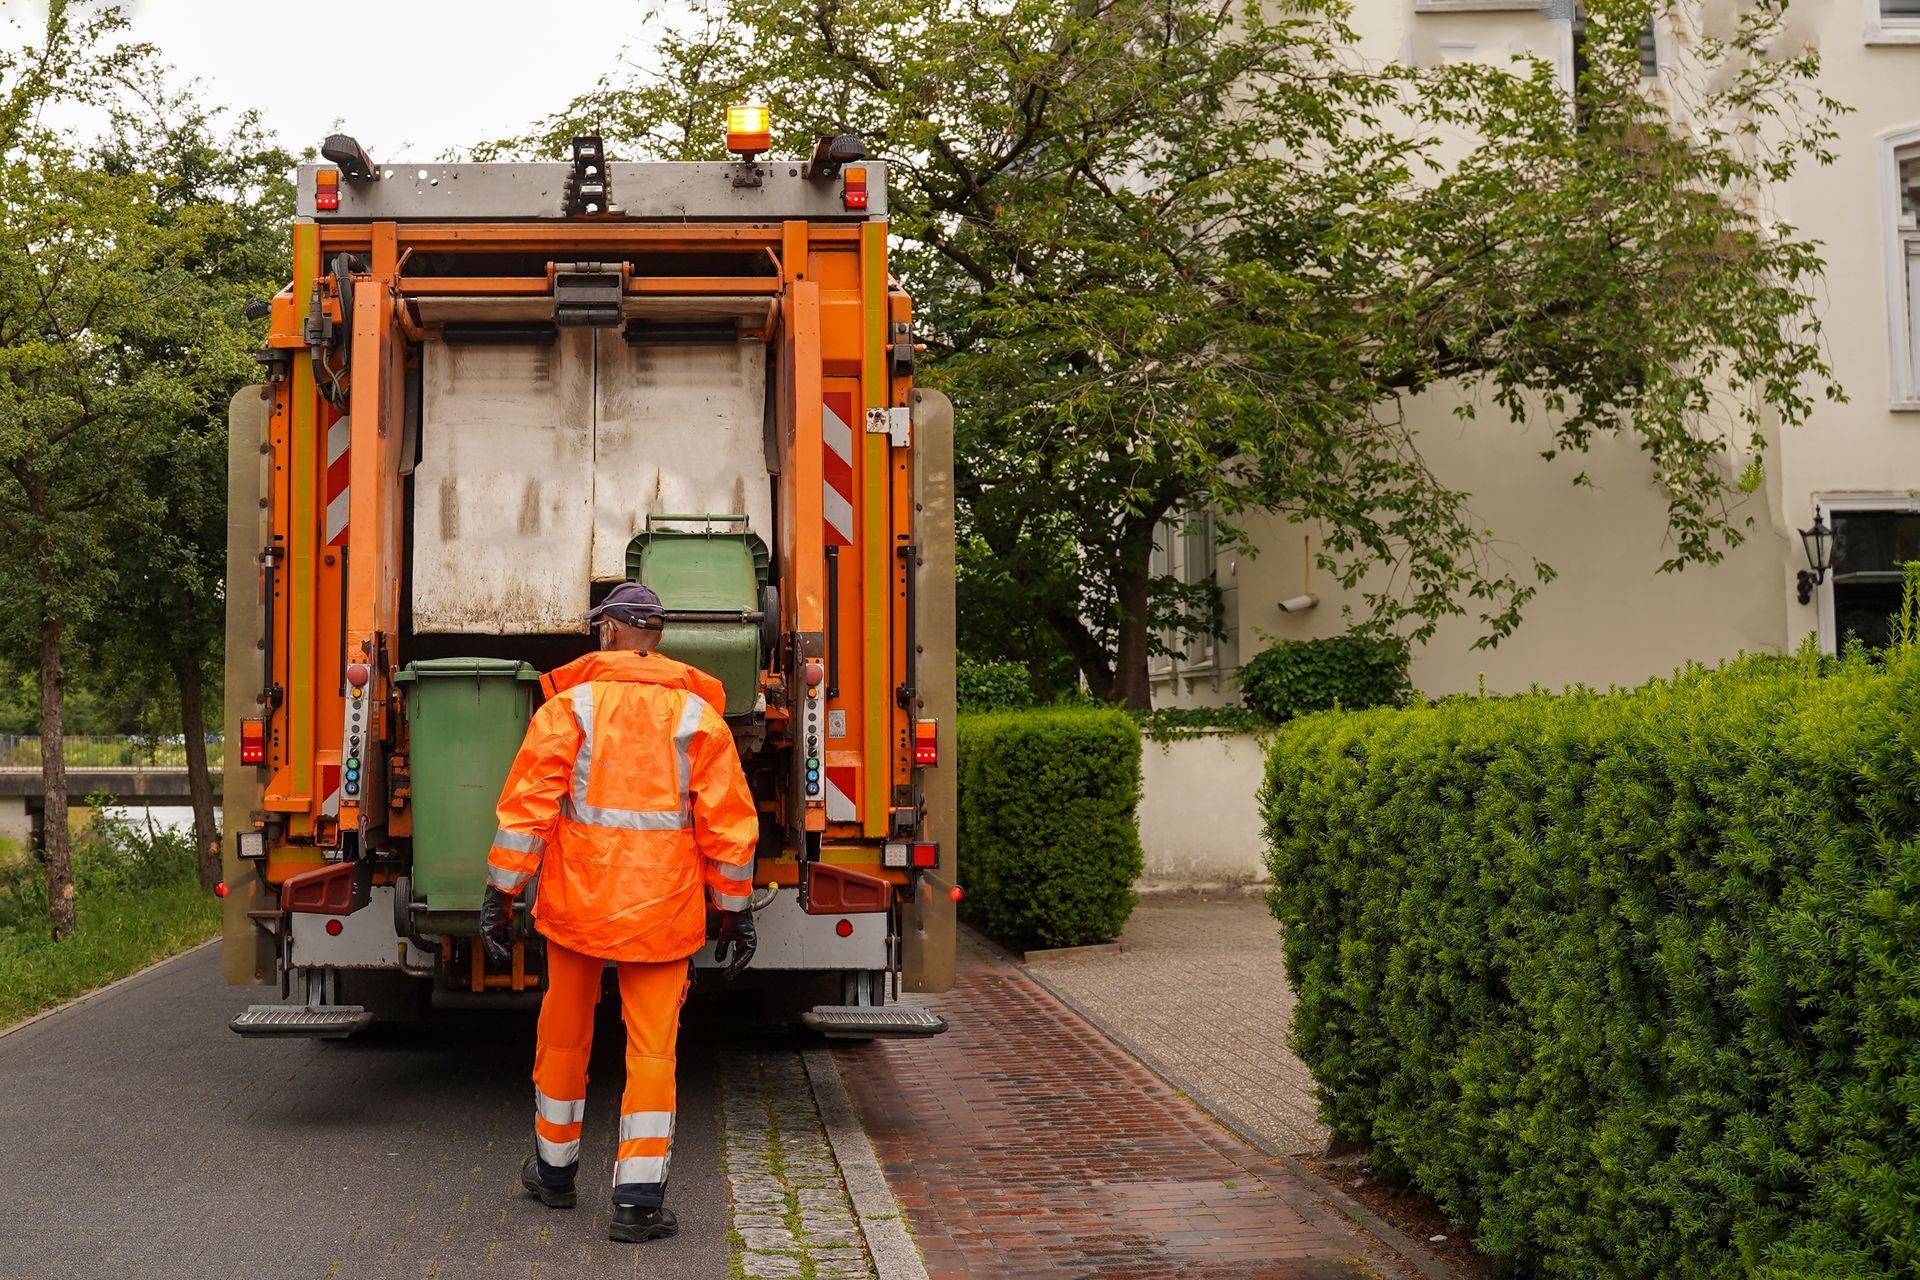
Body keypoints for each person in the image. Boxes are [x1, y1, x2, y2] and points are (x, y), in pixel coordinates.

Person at [478, 581, 760, 1244]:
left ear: (607, 632)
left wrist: (501, 892)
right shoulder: (700, 718)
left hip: (578, 906)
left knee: (565, 1038)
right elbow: (729, 826)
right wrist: (736, 910)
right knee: (653, 1053)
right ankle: (636, 1204)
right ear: (656, 638)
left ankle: (553, 1175)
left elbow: (528, 811)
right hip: (663, 912)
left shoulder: (569, 707)